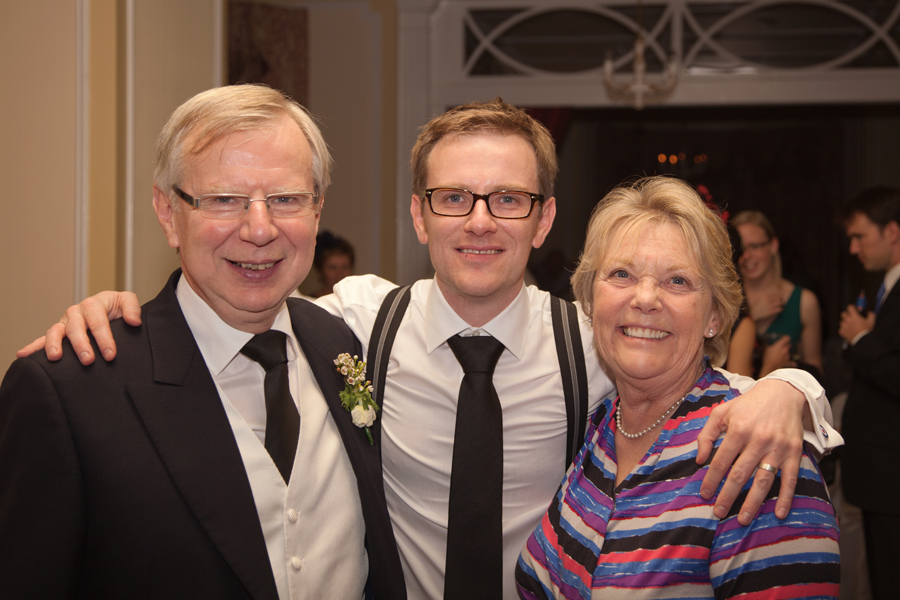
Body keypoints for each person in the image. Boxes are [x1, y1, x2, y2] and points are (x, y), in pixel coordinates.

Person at [20, 100, 840, 600]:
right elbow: (239, 293)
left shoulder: (590, 340)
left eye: (508, 199)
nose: (479, 221)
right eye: (453, 197)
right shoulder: (352, 322)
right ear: (419, 216)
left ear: (543, 221)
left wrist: (793, 389)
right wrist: (118, 313)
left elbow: (694, 375)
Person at [0, 85, 405, 599]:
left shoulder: (345, 342)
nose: (259, 230)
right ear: (169, 213)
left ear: (317, 211)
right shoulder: (68, 391)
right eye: (223, 200)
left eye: (285, 199)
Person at [517, 176, 840, 599]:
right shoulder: (600, 425)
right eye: (621, 273)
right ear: (591, 303)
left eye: (677, 281)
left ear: (715, 317)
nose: (645, 298)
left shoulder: (755, 452)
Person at [838, 185, 900, 600]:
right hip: (881, 476)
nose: (854, 248)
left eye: (861, 236)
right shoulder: (886, 287)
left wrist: (861, 340)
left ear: (892, 231)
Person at [732, 210, 824, 377]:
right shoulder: (726, 300)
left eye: (754, 246)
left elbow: (815, 372)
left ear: (773, 245)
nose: (747, 256)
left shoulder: (804, 302)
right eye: (741, 249)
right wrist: (752, 317)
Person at [312, 230, 354, 297]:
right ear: (320, 270)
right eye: (333, 268)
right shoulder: (309, 303)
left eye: (345, 267)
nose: (340, 273)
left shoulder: (359, 303)